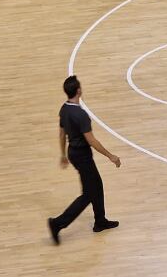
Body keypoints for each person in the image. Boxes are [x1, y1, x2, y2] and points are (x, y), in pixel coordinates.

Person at [47, 75, 120, 245]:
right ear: (78, 90)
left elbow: (61, 134)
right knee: (88, 194)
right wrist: (111, 156)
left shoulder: (64, 109)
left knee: (97, 184)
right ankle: (57, 224)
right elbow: (92, 141)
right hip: (82, 155)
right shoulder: (80, 114)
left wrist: (63, 155)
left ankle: (100, 221)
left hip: (73, 152)